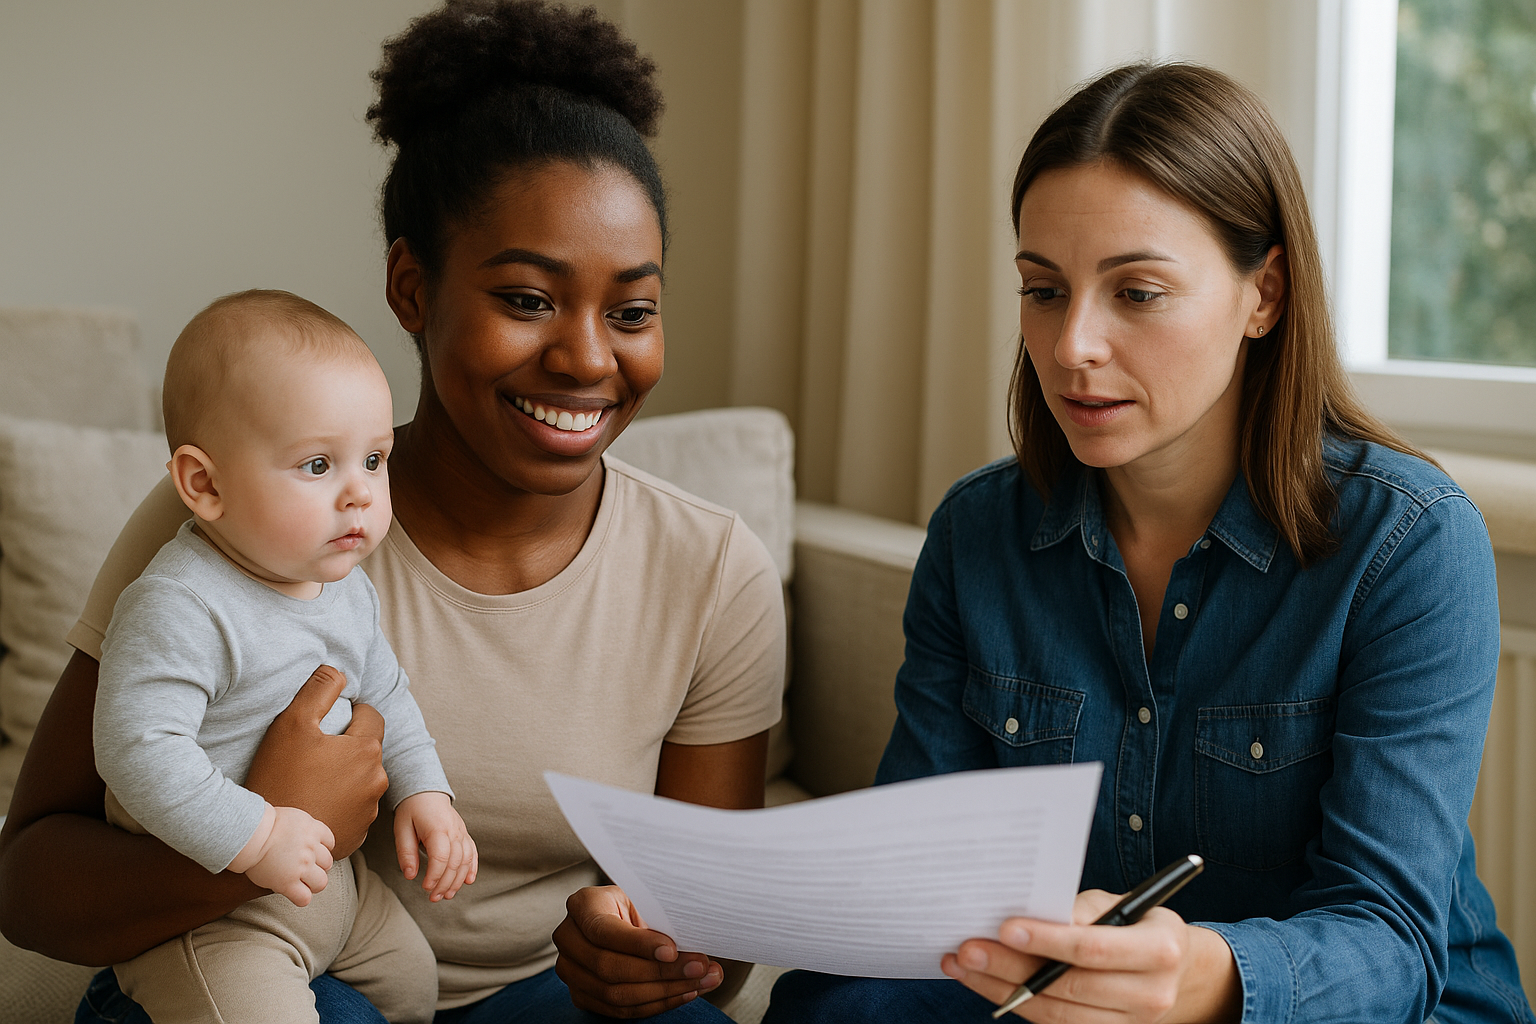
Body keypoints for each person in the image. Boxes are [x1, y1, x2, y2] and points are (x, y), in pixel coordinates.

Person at [0, 2, 785, 1021]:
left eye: (631, 311)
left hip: (542, 999)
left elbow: (714, 954)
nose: (591, 358)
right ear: (412, 286)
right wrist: (265, 838)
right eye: (528, 299)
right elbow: (30, 881)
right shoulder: (238, 525)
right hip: (276, 963)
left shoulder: (714, 570)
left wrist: (651, 962)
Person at [766, 62, 1535, 1024]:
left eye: (1136, 292)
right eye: (1043, 290)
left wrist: (1201, 975)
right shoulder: (978, 535)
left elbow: (1391, 942)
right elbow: (920, 888)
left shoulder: (1409, 543)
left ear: (1266, 294)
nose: (1072, 345)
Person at [94, 290, 475, 1024]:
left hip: (336, 890)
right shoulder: (181, 603)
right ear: (204, 485)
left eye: (372, 459)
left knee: (413, 983)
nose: (359, 493)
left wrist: (427, 794)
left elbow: (388, 694)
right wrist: (259, 834)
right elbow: (136, 747)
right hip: (212, 921)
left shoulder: (346, 589)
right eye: (316, 465)